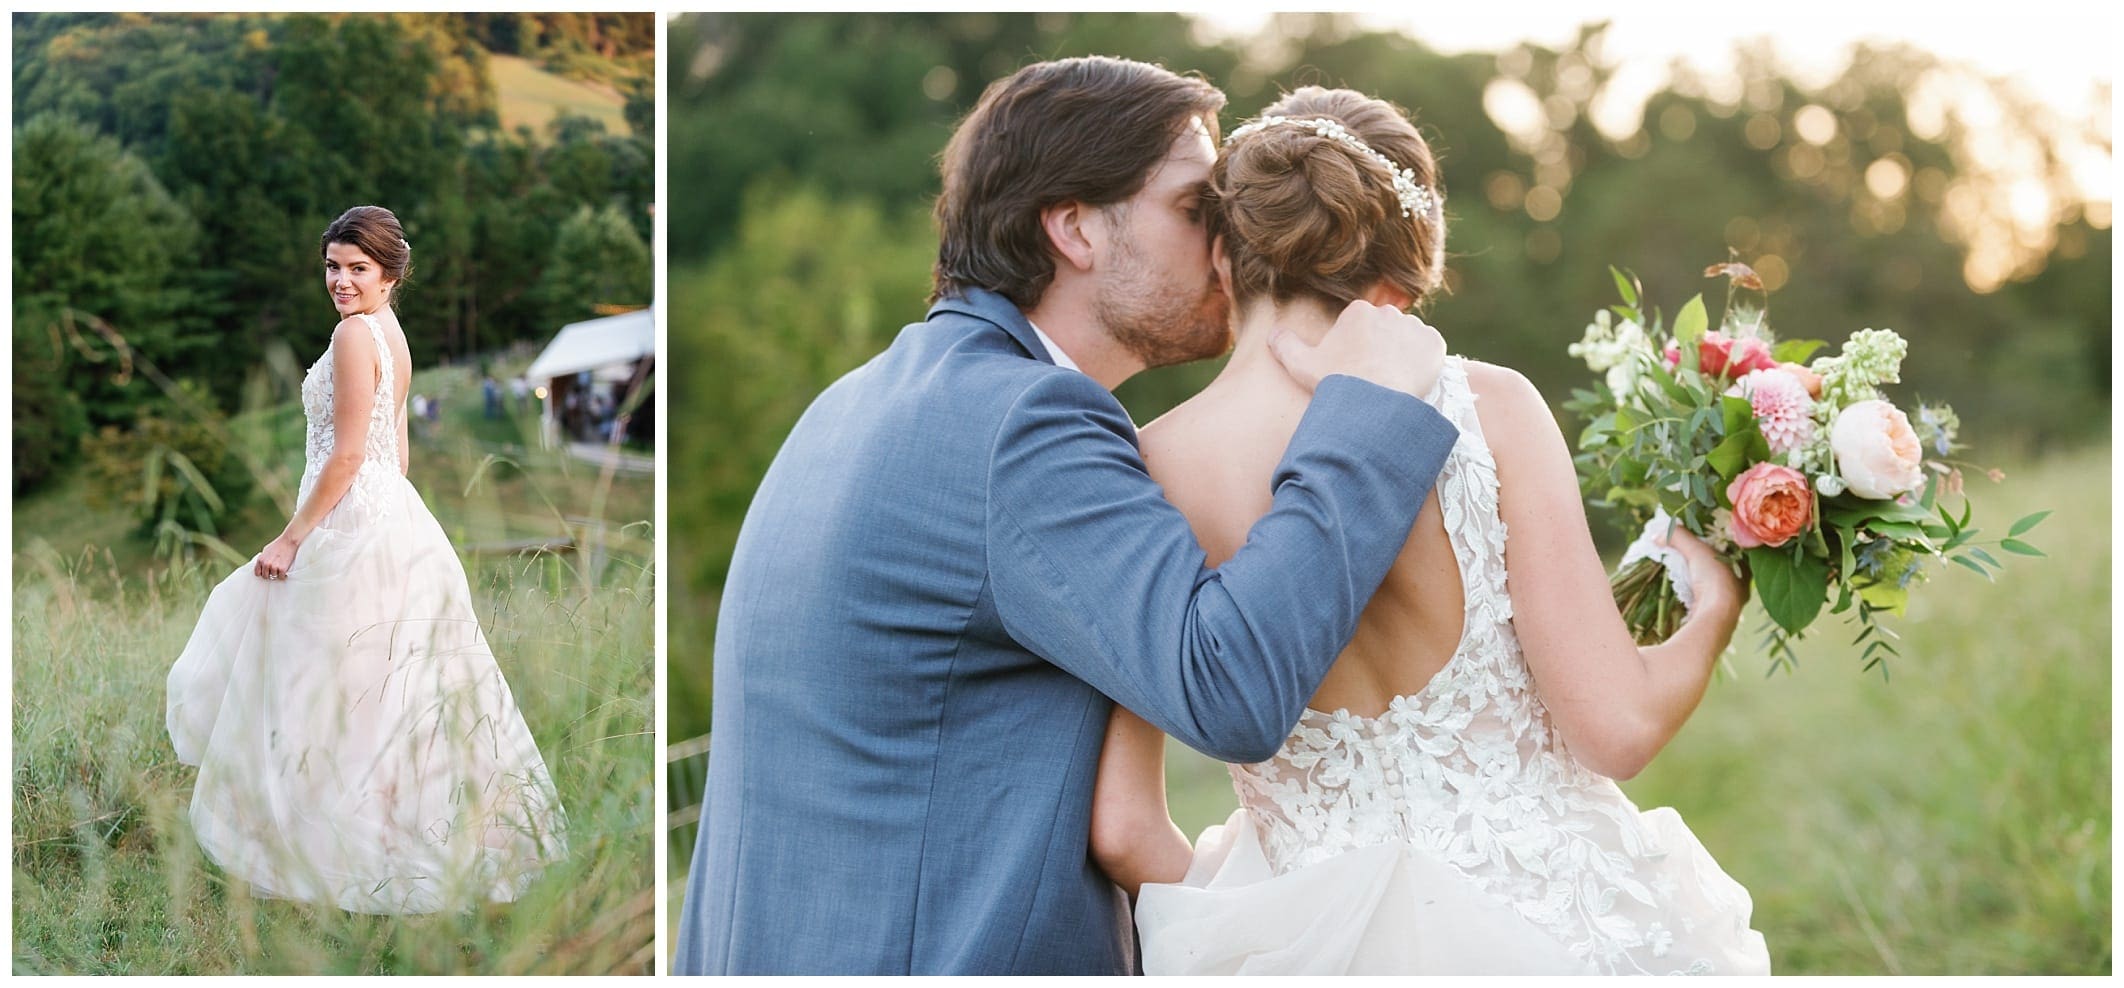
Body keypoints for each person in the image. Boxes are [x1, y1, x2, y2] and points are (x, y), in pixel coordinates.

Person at [673, 57, 1462, 975]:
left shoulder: (864, 398)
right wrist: (1361, 420)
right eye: (1195, 208)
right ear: (1075, 228)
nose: (1228, 240)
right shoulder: (1025, 422)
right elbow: (1229, 688)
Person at [1088, 88, 1772, 975]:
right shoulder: (1487, 408)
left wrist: (1270, 926)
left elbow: (1125, 829)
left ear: (1225, 254)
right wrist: (1713, 607)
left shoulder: (1139, 467)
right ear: (1403, 286)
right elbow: (1619, 728)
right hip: (1550, 922)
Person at [165, 205, 566, 914]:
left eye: (357, 269)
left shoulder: (356, 335)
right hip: (388, 511)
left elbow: (350, 451)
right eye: (333, 267)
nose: (341, 282)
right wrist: (395, 515)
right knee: (383, 684)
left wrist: (293, 537)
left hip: (353, 515)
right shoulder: (391, 332)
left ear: (389, 273)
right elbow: (394, 446)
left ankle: (329, 841)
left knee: (322, 678)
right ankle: (390, 825)